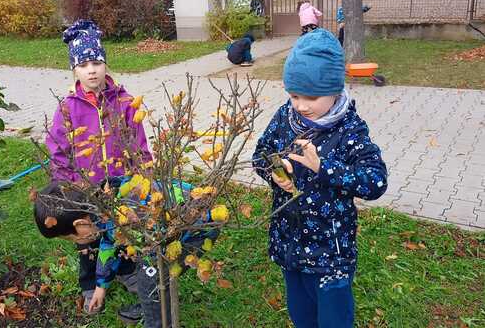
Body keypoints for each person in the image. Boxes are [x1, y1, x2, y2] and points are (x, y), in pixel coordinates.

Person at [252, 28, 387, 328]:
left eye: (310, 97)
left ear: (335, 90)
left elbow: (376, 181)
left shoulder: (349, 131)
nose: (300, 105)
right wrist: (275, 173)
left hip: (331, 253)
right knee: (301, 315)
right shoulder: (285, 118)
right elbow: (261, 153)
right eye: (293, 94)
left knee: (333, 320)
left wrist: (322, 166)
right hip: (290, 243)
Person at [44, 19, 152, 315]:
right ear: (75, 70)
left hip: (121, 183)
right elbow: (57, 149)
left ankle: (126, 269)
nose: (91, 70)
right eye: (84, 64)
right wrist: (69, 184)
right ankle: (90, 280)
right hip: (85, 189)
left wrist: (142, 175)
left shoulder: (126, 102)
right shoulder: (68, 107)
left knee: (124, 229)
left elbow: (139, 143)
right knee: (89, 237)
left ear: (105, 64)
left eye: (96, 62)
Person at [34, 179, 219, 327]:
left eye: (71, 239)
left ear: (80, 224)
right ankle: (152, 307)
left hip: (198, 229)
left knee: (151, 279)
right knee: (148, 272)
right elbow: (108, 245)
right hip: (173, 229)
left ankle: (157, 321)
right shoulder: (104, 208)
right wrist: (101, 286)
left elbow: (153, 239)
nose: (75, 243)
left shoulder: (127, 210)